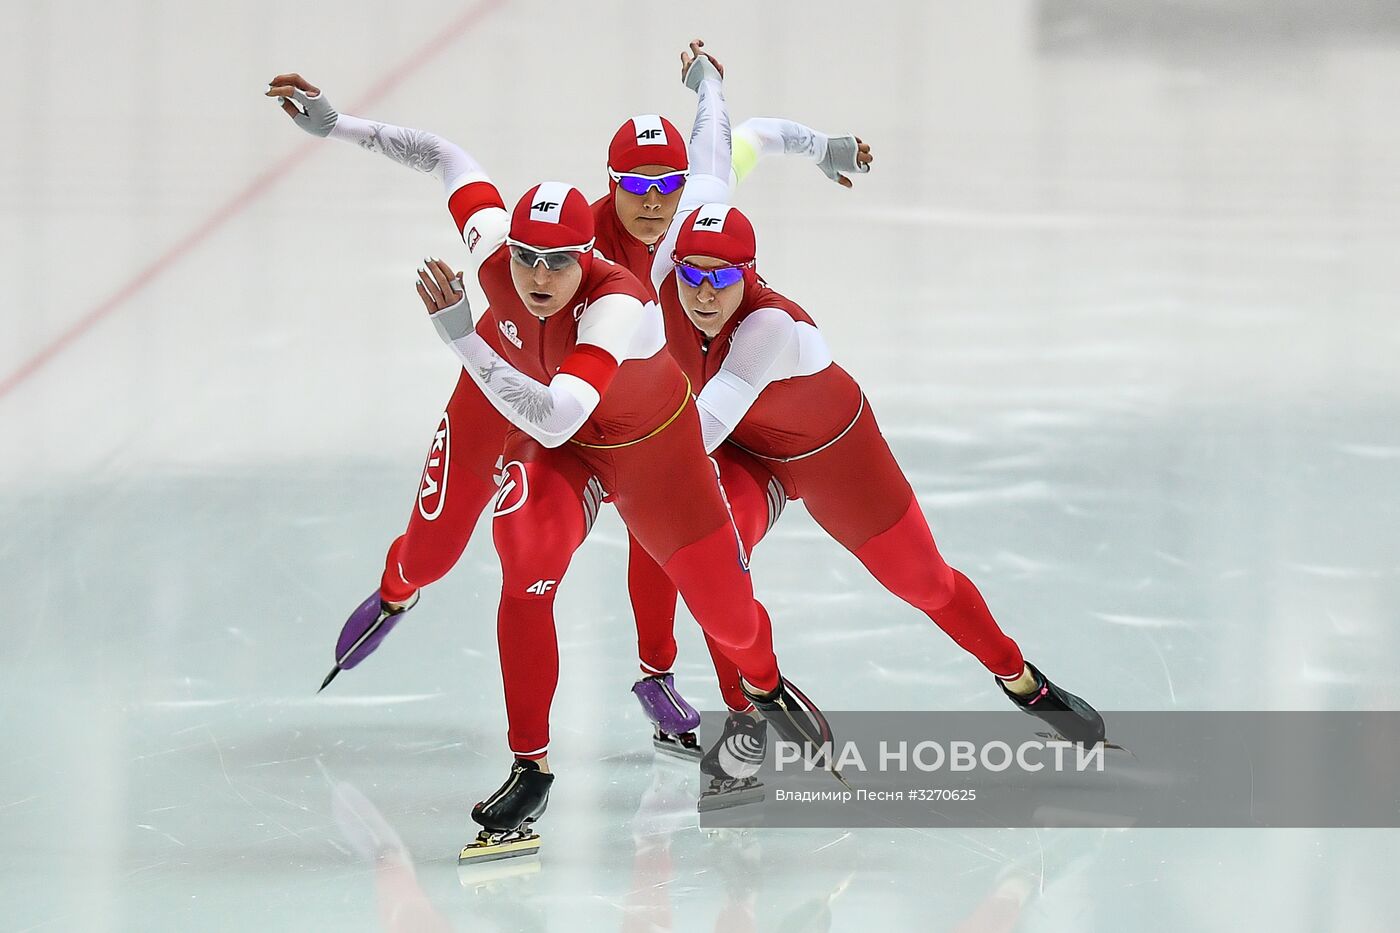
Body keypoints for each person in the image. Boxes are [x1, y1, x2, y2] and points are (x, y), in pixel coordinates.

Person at [279, 45, 836, 862]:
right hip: (517, 412)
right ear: (608, 186)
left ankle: (761, 686)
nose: (655, 203)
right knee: (502, 553)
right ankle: (518, 748)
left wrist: (462, 335)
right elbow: (443, 155)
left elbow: (717, 140)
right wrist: (336, 126)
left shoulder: (629, 295)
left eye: (667, 187)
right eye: (638, 187)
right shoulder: (500, 246)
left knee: (723, 601)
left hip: (634, 438)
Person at [649, 200, 1106, 746]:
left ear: (749, 274)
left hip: (836, 457)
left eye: (721, 278)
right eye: (692, 275)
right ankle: (764, 691)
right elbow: (718, 149)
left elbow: (706, 421)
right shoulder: (663, 280)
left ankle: (1023, 681)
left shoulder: (769, 325)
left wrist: (625, 468)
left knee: (927, 584)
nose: (703, 293)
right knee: (712, 567)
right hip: (745, 455)